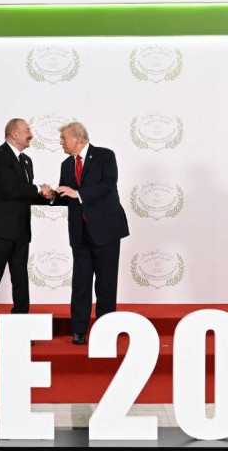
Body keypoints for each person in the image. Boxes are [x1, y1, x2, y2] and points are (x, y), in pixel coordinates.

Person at [51, 122, 129, 345]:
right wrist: (52, 196)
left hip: (106, 230)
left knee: (106, 284)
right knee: (81, 284)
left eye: (64, 138)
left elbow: (108, 185)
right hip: (80, 233)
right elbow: (67, 197)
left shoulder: (105, 156)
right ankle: (79, 330)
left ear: (77, 138)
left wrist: (77, 193)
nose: (60, 142)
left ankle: (106, 330)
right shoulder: (66, 164)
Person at [0, 118, 53, 333]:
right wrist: (38, 188)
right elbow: (11, 190)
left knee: (20, 280)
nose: (31, 135)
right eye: (27, 131)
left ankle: (21, 327)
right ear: (14, 134)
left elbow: (25, 194)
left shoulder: (26, 160)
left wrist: (50, 196)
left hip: (20, 231)